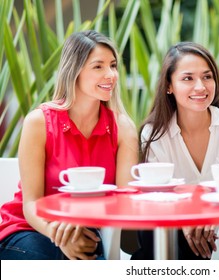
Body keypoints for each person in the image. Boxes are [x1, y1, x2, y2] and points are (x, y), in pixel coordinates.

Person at [0, 30, 139, 260]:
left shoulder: (123, 128)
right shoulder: (39, 122)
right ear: (74, 71)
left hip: (85, 231)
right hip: (29, 229)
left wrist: (77, 223)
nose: (111, 74)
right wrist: (59, 233)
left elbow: (123, 201)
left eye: (113, 65)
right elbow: (31, 204)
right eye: (98, 67)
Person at [131, 42, 219, 260]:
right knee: (154, 239)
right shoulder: (154, 135)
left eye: (207, 77)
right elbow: (155, 198)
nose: (200, 87)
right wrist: (186, 220)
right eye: (188, 78)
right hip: (175, 236)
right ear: (169, 86)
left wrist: (208, 219)